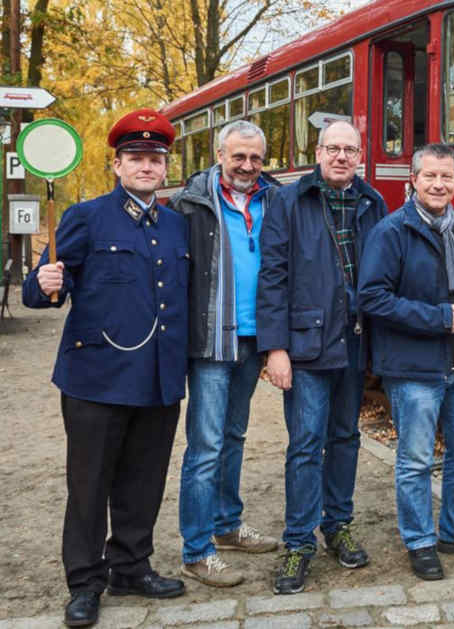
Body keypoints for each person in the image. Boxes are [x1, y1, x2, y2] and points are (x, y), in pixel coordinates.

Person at [22, 109, 188, 627]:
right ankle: (85, 582)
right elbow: (44, 289)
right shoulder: (87, 217)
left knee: (143, 482)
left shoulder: (178, 223)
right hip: (96, 378)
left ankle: (132, 567)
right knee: (90, 486)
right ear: (116, 164)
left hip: (158, 376)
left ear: (165, 168)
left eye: (155, 158)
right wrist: (45, 283)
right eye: (136, 157)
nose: (146, 166)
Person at [256, 120, 386, 594]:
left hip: (354, 341)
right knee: (306, 443)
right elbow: (272, 278)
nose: (341, 157)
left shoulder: (373, 202)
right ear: (318, 151)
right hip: (307, 344)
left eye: (350, 149)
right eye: (333, 148)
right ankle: (297, 543)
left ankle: (338, 525)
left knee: (346, 436)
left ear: (360, 156)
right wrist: (275, 349)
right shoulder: (288, 201)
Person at [358, 143, 454, 581]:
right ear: (413, 180)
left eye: (447, 177)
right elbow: (372, 297)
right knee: (415, 460)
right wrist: (435, 318)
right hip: (414, 369)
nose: (439, 184)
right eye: (430, 176)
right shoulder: (392, 231)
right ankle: (419, 540)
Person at [170, 120, 281, 588]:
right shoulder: (189, 205)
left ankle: (227, 524)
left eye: (256, 158)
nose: (247, 166)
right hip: (212, 341)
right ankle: (197, 550)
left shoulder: (274, 199)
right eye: (239, 156)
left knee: (234, 436)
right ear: (220, 155)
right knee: (206, 445)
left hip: (254, 340)